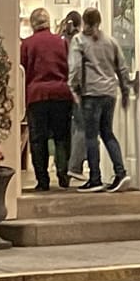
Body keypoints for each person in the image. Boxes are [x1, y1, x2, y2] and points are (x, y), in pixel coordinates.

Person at [68, 7, 130, 191]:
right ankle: (121, 172)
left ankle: (95, 178)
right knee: (107, 133)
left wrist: (74, 88)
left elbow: (76, 67)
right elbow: (122, 67)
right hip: (110, 93)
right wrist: (125, 90)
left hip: (91, 94)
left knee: (91, 136)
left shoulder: (79, 41)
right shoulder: (110, 41)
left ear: (84, 22)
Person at [19, 8, 75, 192]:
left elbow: (22, 71)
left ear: (33, 24)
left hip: (37, 95)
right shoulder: (62, 43)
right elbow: (70, 67)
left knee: (38, 139)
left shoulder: (27, 44)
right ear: (48, 22)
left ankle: (42, 180)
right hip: (61, 94)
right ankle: (62, 174)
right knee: (62, 136)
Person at [59, 11, 88, 181]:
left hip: (62, 89)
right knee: (81, 127)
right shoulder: (80, 41)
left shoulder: (61, 40)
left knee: (69, 130)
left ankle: (65, 167)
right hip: (78, 87)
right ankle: (74, 166)